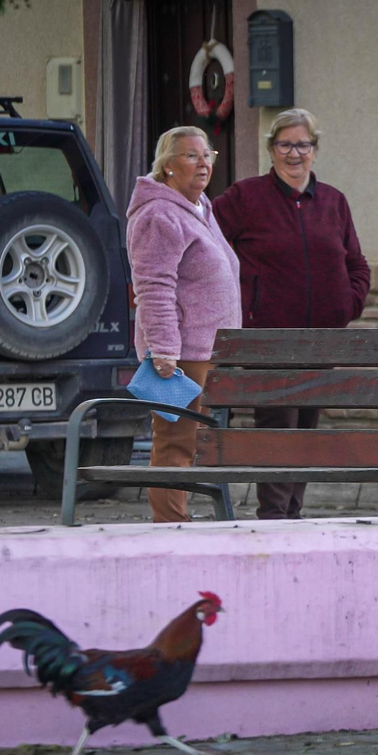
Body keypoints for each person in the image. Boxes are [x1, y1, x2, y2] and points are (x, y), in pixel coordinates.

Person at [214, 109, 371, 520]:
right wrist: (239, 302)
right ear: (271, 149)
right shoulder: (245, 197)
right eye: (285, 144)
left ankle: (292, 515)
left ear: (315, 150)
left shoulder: (333, 201)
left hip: (321, 338)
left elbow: (356, 263)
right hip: (268, 338)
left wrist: (347, 303)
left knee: (305, 429)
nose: (294, 153)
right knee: (276, 425)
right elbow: (207, 247)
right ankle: (273, 517)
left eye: (303, 144)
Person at [125, 126, 242, 523]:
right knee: (175, 442)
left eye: (207, 155)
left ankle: (179, 520)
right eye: (191, 155)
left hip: (208, 348)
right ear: (168, 166)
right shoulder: (158, 214)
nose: (203, 163)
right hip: (181, 354)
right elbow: (153, 287)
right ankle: (169, 524)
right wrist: (163, 350)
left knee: (192, 443)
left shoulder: (198, 206)